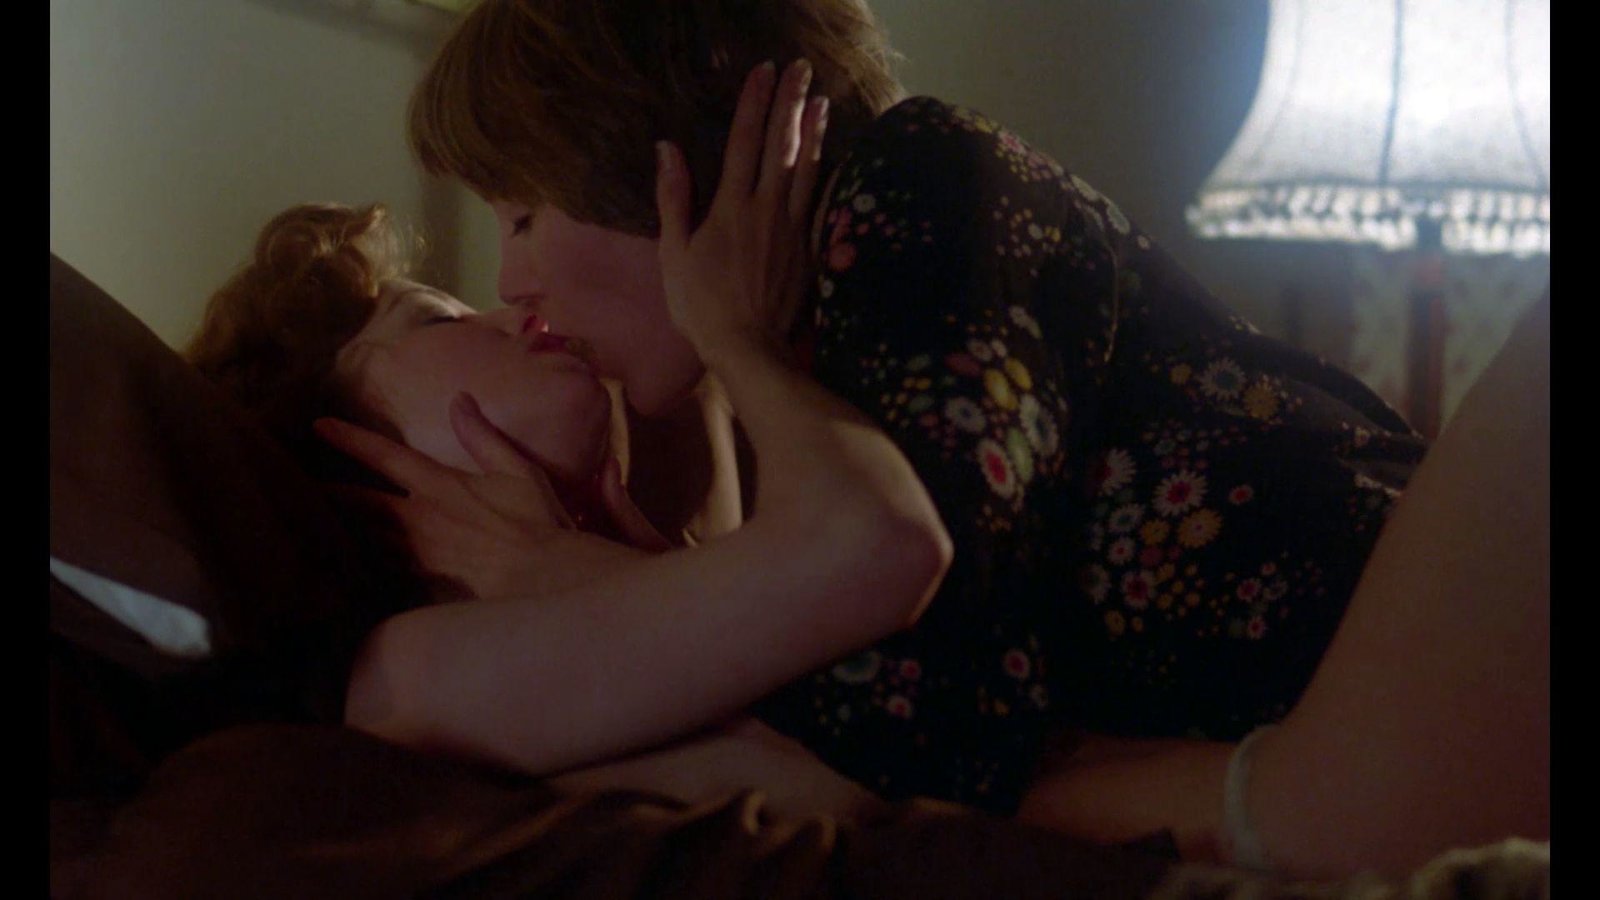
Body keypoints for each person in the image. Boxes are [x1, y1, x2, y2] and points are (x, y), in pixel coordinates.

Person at [380, 0, 1545, 877]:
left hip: (1433, 644)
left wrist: (717, 366)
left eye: (521, 214)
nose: (511, 284)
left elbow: (923, 719)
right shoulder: (820, 381)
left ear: (662, 158)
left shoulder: (914, 176)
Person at [184, 196, 948, 821]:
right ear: (344, 442)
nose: (512, 313)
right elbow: (876, 545)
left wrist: (586, 564)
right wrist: (735, 336)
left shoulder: (632, 558)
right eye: (439, 321)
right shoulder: (400, 673)